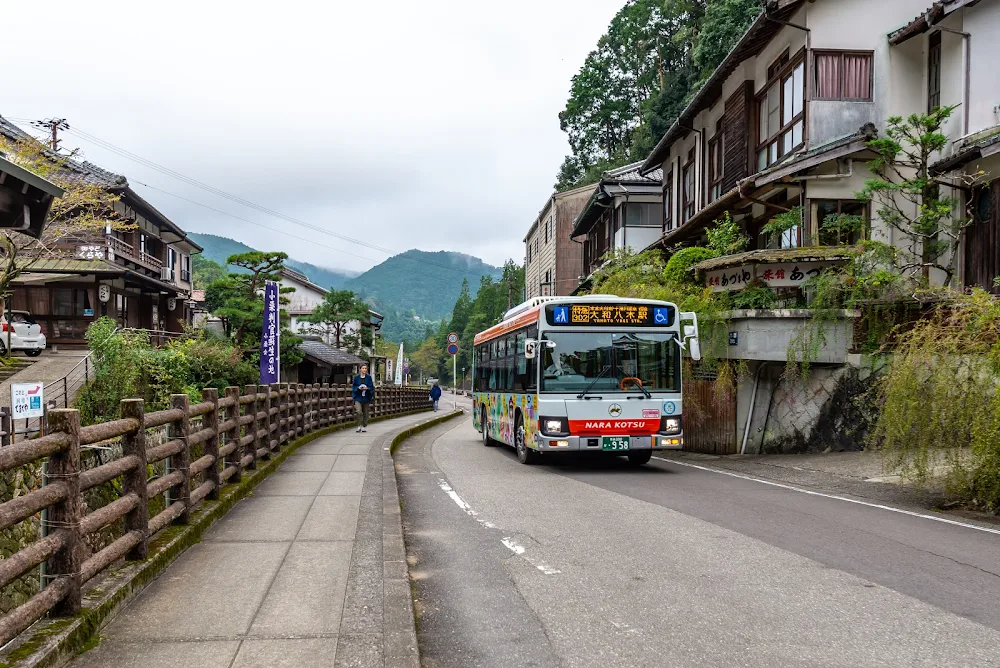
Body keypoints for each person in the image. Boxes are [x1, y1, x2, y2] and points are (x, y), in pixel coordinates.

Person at [352, 364, 375, 432]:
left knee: (365, 412)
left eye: (365, 368)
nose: (364, 370)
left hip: (366, 397)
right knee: (358, 411)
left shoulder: (369, 377)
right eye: (363, 368)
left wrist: (367, 388)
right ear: (360, 369)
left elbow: (371, 386)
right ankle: (359, 425)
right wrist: (358, 388)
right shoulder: (356, 377)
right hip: (358, 397)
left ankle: (364, 426)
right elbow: (353, 386)